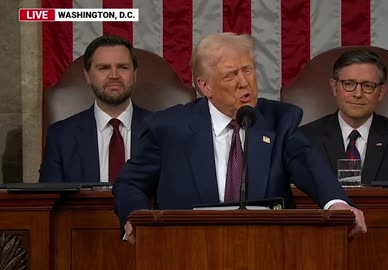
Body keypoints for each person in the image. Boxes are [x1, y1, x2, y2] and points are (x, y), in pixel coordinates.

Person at [113, 32, 366, 244]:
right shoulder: (168, 127)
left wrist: (337, 204)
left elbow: (310, 168)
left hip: (267, 250)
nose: (244, 83)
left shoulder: (279, 120)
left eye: (248, 70)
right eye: (230, 75)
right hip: (186, 249)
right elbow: (129, 184)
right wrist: (139, 219)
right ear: (205, 86)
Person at [301, 49, 388, 184]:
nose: (358, 94)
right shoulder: (304, 138)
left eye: (368, 85)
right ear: (334, 87)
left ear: (381, 92)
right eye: (348, 84)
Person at [39, 35, 151, 183]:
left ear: (134, 74)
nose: (114, 75)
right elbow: (48, 201)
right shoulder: (60, 137)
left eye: (123, 67)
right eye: (103, 68)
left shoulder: (161, 130)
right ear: (87, 76)